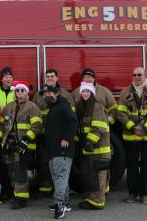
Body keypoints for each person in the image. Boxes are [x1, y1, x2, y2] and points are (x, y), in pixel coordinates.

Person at [117, 67, 147, 204]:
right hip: (131, 135)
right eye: (134, 75)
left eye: (139, 74)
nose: (137, 77)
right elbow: (121, 113)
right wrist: (132, 127)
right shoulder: (125, 92)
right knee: (131, 165)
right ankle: (132, 194)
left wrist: (144, 128)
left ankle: (144, 194)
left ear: (145, 76)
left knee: (146, 165)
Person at [0, 81, 42, 209]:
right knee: (11, 170)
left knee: (20, 171)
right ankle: (16, 193)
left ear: (27, 92)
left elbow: (36, 126)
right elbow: (1, 125)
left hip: (24, 145)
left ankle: (21, 198)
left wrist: (26, 139)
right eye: (18, 90)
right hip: (9, 145)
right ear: (15, 92)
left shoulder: (32, 107)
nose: (20, 93)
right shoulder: (8, 107)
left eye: (22, 90)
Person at [32, 69, 75, 195]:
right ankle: (46, 188)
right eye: (47, 76)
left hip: (59, 136)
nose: (50, 78)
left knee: (60, 166)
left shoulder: (66, 95)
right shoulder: (38, 95)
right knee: (44, 162)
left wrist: (68, 137)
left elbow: (71, 118)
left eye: (52, 76)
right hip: (43, 134)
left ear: (57, 78)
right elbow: (34, 114)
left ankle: (61, 195)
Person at [41, 84, 78, 219]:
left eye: (48, 93)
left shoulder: (63, 106)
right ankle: (65, 202)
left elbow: (74, 122)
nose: (46, 96)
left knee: (60, 178)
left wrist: (66, 138)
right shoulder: (54, 107)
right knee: (61, 178)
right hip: (53, 151)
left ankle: (59, 206)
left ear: (56, 93)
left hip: (62, 151)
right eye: (44, 94)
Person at [75, 82, 111, 210]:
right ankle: (91, 199)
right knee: (90, 174)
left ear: (92, 94)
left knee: (98, 176)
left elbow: (99, 127)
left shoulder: (97, 107)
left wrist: (90, 141)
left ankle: (97, 202)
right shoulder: (81, 107)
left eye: (87, 92)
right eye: (83, 92)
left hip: (99, 149)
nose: (85, 94)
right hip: (88, 148)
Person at [0, 66, 14, 200]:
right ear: (1, 79)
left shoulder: (17, 91)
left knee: (14, 163)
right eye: (6, 77)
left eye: (10, 77)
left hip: (13, 132)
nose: (8, 79)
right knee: (1, 163)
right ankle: (4, 189)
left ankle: (14, 189)